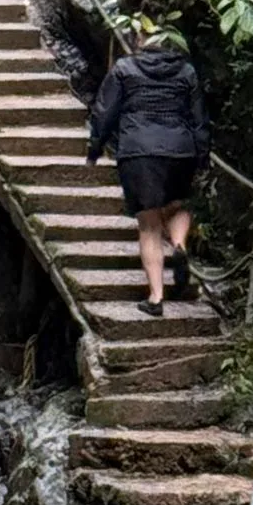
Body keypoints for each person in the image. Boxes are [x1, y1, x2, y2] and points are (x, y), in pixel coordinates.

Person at [85, 27, 209, 317]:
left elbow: (105, 111)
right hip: (180, 149)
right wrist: (202, 157)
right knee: (179, 204)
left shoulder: (125, 68)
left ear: (141, 40)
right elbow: (200, 118)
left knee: (149, 224)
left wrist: (94, 148)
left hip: (139, 150)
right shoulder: (186, 71)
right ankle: (178, 246)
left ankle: (156, 297)